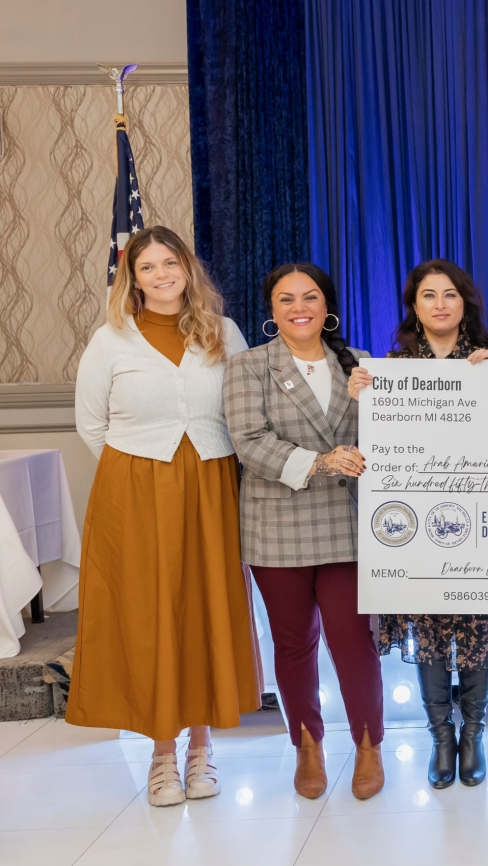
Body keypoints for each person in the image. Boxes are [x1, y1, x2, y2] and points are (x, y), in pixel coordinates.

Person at [71, 226, 261, 807]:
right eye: (147, 267)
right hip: (134, 494)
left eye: (169, 263)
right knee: (152, 614)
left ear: (187, 268)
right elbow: (91, 424)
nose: (160, 275)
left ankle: (201, 751)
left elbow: (251, 405)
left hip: (211, 485)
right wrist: (142, 474)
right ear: (132, 277)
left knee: (204, 607)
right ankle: (160, 757)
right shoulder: (111, 339)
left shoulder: (223, 332)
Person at [347, 260, 488, 789]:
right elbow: (370, 449)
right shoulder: (394, 370)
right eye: (429, 295)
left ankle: (473, 735)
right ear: (415, 307)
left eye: (451, 294)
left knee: (476, 626)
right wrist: (363, 399)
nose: (441, 303)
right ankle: (441, 738)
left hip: (480, 517)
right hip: (418, 525)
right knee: (428, 631)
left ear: (465, 302)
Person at [224, 263, 385, 800]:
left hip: (346, 524)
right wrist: (320, 463)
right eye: (286, 298)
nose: (299, 307)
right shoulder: (248, 366)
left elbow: (385, 443)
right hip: (277, 527)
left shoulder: (358, 363)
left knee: (354, 642)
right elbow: (249, 442)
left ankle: (368, 746)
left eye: (310, 297)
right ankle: (308, 747)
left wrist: (372, 407)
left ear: (327, 304)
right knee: (294, 645)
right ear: (271, 310)